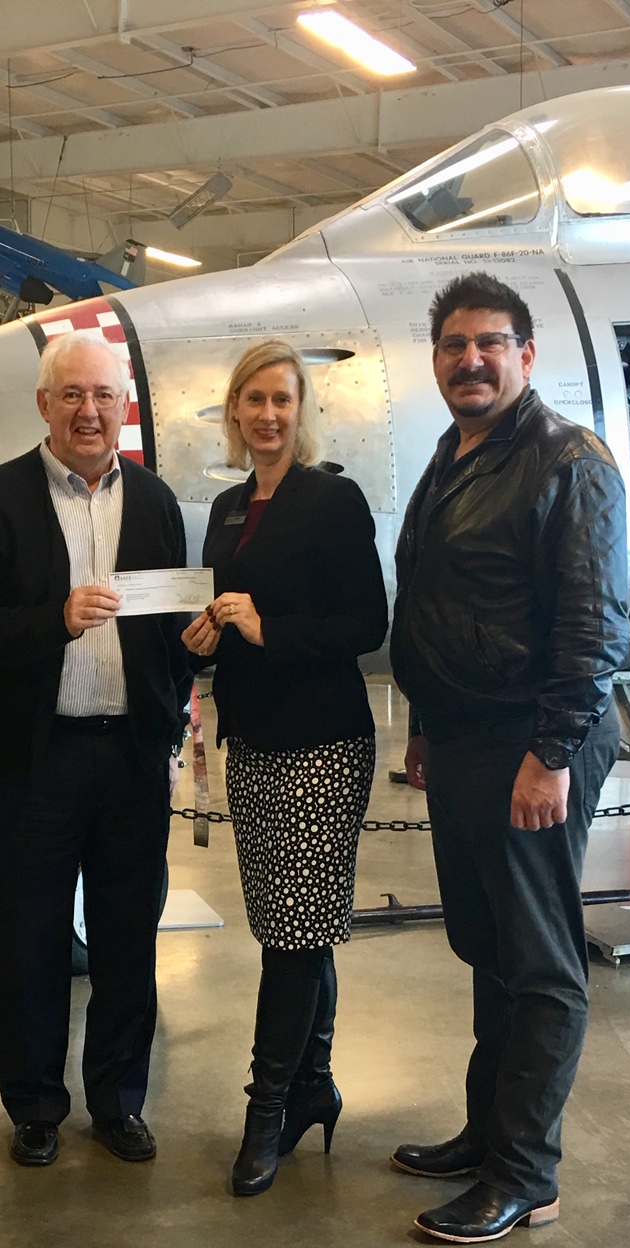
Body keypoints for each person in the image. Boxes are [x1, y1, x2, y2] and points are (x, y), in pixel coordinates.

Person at [389, 273, 630, 1243]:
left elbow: (595, 624)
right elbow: (442, 600)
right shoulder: (454, 454)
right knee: (488, 946)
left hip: (533, 742)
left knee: (539, 962)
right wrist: (424, 723)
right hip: (464, 737)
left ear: (526, 356)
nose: (470, 360)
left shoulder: (568, 460)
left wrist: (553, 753)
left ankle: (527, 1173)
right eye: (453, 345)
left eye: (490, 343)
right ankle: (491, 1133)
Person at [0, 330, 191, 1169]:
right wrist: (53, 620)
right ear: (43, 405)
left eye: (103, 396)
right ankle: (35, 1106)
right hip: (33, 760)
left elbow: (168, 631)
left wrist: (191, 667)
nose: (89, 410)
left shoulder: (153, 502)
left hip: (131, 759)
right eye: (72, 395)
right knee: (31, 939)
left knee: (127, 937)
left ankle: (119, 1103)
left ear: (124, 407)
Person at [181, 340, 388, 1196]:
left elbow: (367, 623)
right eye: (252, 400)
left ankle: (264, 1113)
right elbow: (225, 611)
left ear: (301, 412)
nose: (267, 414)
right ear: (233, 412)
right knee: (296, 925)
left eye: (282, 400)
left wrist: (271, 630)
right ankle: (313, 1086)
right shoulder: (229, 508)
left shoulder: (332, 499)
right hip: (255, 741)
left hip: (322, 746)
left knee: (292, 937)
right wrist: (207, 641)